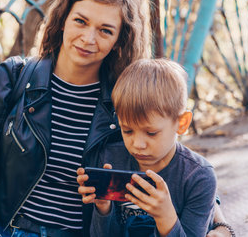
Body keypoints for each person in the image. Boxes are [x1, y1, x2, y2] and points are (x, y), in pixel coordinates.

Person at [0, 0, 231, 237]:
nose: (88, 38)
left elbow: (170, 156)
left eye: (105, 30)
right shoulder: (14, 78)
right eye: (80, 21)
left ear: (119, 40)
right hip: (7, 227)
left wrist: (218, 219)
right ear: (63, 20)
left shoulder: (123, 99)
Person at [77, 59, 235, 237]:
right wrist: (103, 209)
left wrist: (165, 217)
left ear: (181, 123)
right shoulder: (110, 159)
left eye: (151, 133)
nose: (138, 144)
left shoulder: (198, 177)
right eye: (127, 130)